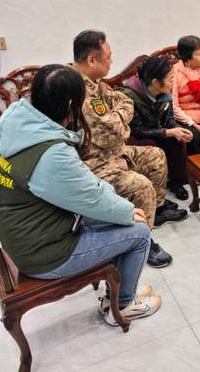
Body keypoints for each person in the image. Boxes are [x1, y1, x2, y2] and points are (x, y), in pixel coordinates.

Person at [0, 65, 160, 325]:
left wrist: (119, 209)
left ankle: (118, 290)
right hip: (44, 253)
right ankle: (123, 305)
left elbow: (83, 188)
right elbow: (90, 196)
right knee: (139, 232)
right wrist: (127, 211)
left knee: (117, 217)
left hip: (31, 234)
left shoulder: (20, 125)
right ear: (71, 103)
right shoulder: (51, 153)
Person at [73, 30, 187, 269]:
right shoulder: (77, 89)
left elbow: (122, 104)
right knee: (141, 186)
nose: (111, 61)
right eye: (108, 57)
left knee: (156, 156)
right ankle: (141, 241)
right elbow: (112, 133)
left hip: (114, 151)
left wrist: (119, 121)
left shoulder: (96, 84)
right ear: (91, 60)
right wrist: (121, 123)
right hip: (93, 161)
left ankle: (156, 210)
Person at [123, 56, 194, 200]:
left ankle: (176, 182)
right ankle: (152, 190)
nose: (173, 83)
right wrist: (167, 132)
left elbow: (169, 119)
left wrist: (177, 129)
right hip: (136, 137)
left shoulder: (165, 94)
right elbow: (136, 130)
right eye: (170, 79)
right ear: (155, 82)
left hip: (156, 130)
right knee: (152, 144)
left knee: (177, 139)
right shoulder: (129, 97)